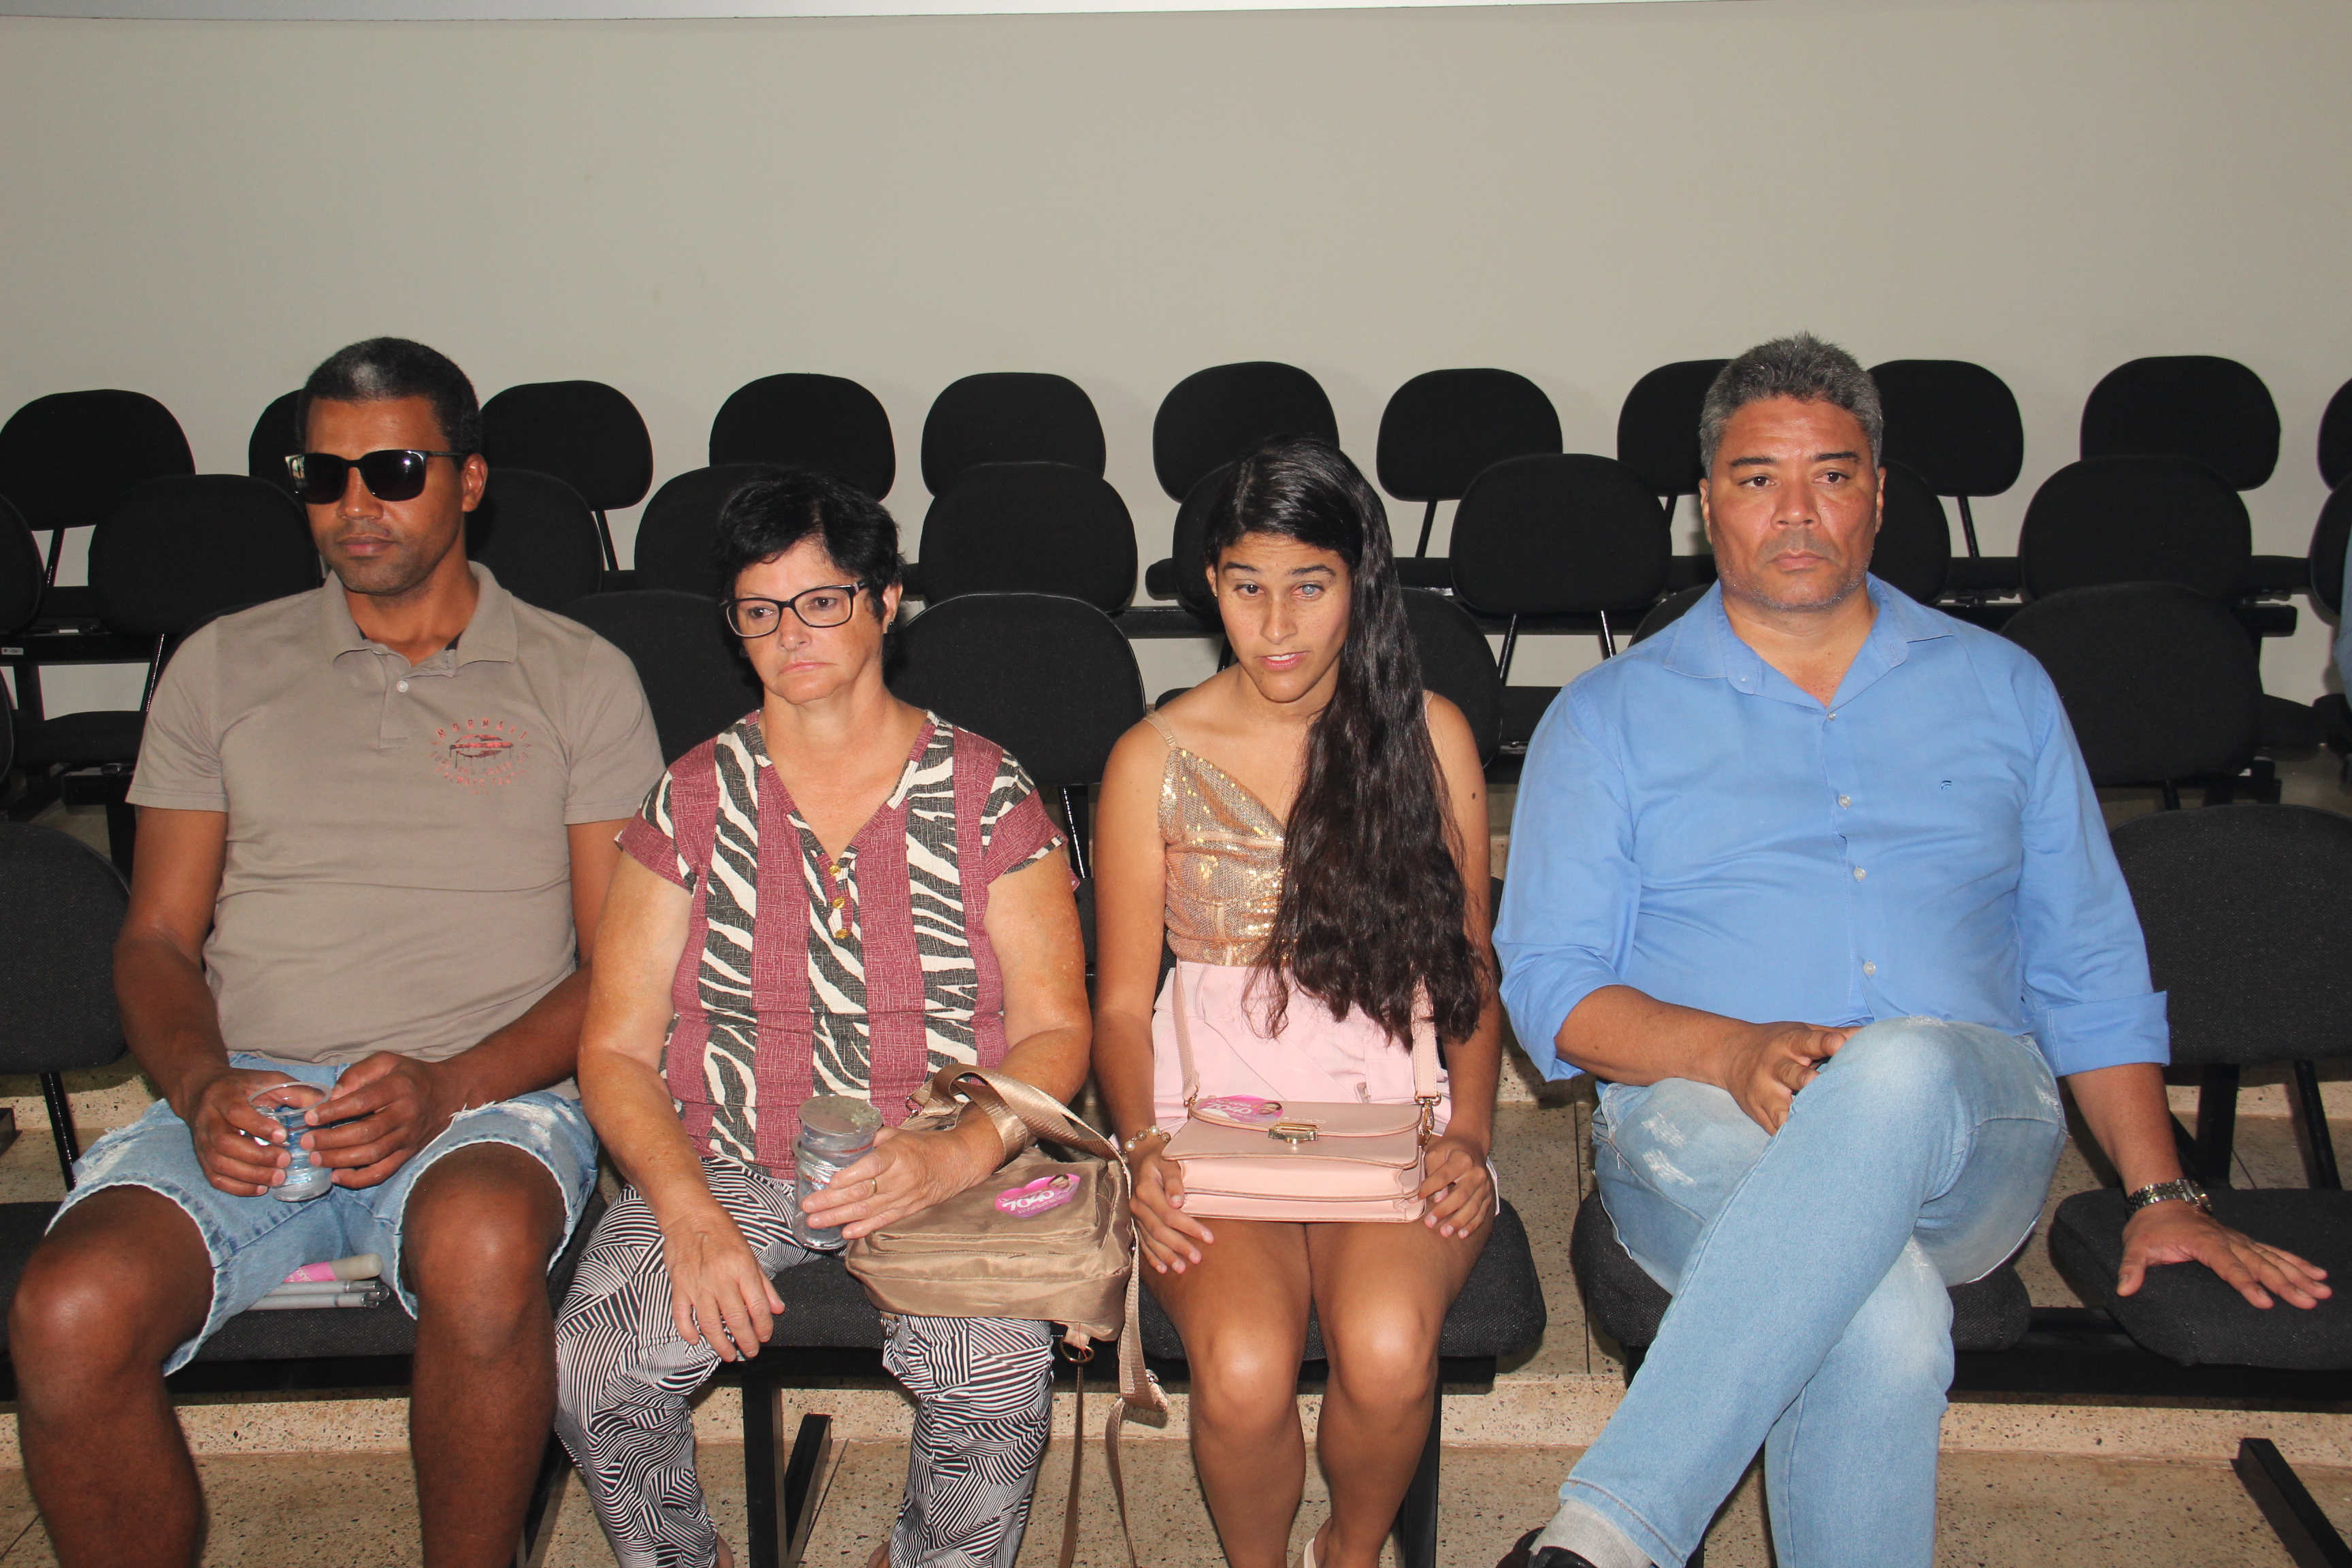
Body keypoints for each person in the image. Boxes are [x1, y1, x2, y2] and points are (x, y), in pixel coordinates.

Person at [1492, 334, 2331, 1568]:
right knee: (1879, 1322)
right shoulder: (1607, 716)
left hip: (1967, 1131)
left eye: (1831, 476)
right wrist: (1732, 1051)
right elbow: (1550, 987)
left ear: (1879, 497)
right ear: (1707, 507)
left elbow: (2088, 961)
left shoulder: (2003, 688)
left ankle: (1613, 1530)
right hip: (1698, 1125)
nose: (1796, 511)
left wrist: (2161, 1197)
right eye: (1758, 479)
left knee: (1895, 1065)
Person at [9, 337, 663, 1567]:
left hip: (485, 1096)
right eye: (324, 475)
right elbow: (156, 938)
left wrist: (447, 1086)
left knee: (480, 1246)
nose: (356, 505)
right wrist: (202, 1083)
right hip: (250, 1090)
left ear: (469, 481)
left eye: (395, 470)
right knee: (66, 1308)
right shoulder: (220, 667)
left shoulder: (577, 678)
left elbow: (617, 968)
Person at [552, 469, 1092, 1568]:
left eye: (820, 601)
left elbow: (1057, 1030)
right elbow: (612, 1046)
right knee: (594, 1365)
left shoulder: (988, 792)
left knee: (995, 1377)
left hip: (940, 1147)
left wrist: (957, 1153)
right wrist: (686, 1211)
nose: (789, 633)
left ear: (886, 602)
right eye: (759, 610)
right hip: (731, 1154)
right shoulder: (692, 798)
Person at [1091, 438, 1501, 1568]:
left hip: (1395, 1110)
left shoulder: (1428, 737)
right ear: (1210, 585)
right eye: (1247, 587)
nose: (1276, 626)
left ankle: (1349, 1554)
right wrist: (1141, 1148)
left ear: (1360, 583)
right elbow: (1120, 1006)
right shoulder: (1152, 757)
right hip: (1209, 1119)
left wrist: (1472, 1132)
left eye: (1310, 587)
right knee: (1242, 1369)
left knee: (1388, 1348)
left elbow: (1470, 969)